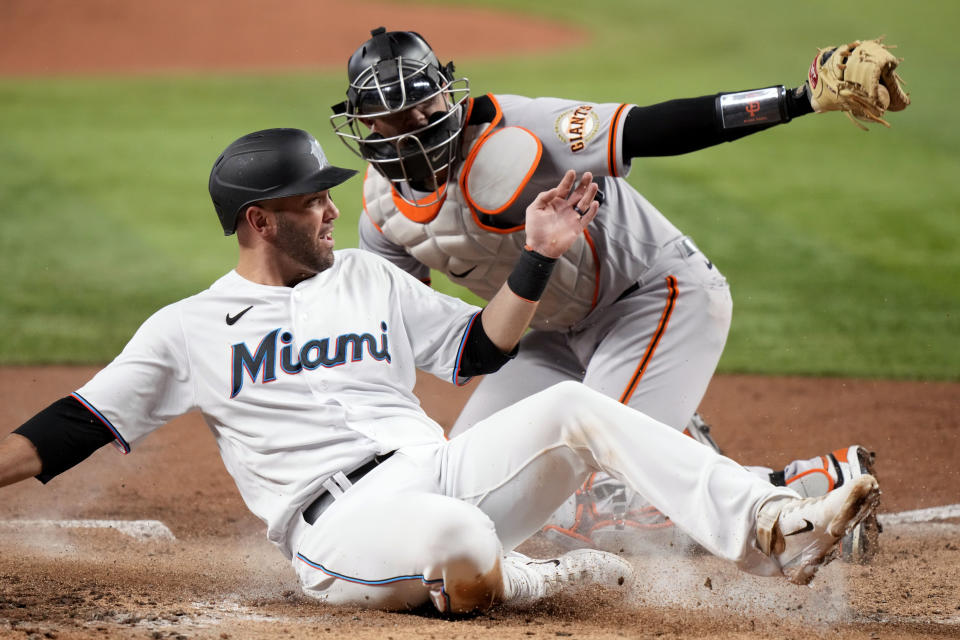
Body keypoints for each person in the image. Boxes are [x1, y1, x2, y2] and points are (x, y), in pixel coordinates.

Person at [0, 128, 880, 613]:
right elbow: (68, 429)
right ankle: (536, 578)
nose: (333, 207)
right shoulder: (186, 328)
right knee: (460, 547)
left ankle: (774, 525)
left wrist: (535, 259)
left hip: (438, 470)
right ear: (260, 222)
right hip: (338, 526)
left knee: (574, 405)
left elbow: (477, 352)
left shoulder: (365, 277)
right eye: (312, 200)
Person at [329, 28, 903, 557]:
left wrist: (795, 99)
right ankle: (673, 433)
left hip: (656, 298)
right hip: (554, 340)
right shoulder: (382, 215)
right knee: (469, 489)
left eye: (426, 108)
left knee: (606, 499)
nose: (417, 127)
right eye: (395, 118)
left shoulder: (523, 126)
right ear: (366, 127)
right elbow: (399, 334)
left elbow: (653, 128)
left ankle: (809, 487)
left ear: (447, 95)